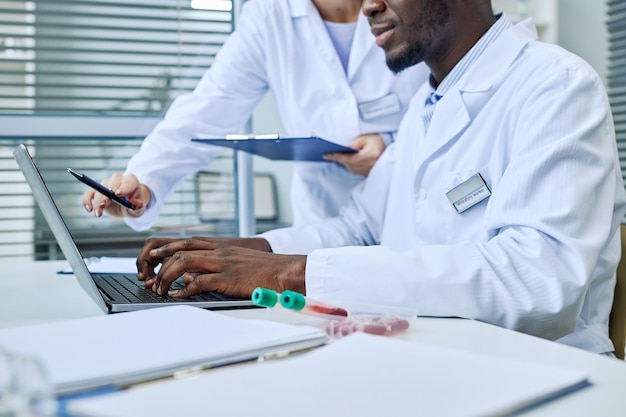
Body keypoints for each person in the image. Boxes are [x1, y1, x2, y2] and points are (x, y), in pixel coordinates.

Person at [134, 0, 626, 355]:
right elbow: (359, 228)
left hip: (545, 372)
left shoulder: (556, 87)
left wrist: (290, 273)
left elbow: (536, 283)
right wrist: (243, 253)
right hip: (432, 355)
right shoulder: (426, 106)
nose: (367, 7)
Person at [82, 0, 429, 229]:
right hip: (324, 223)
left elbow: (453, 105)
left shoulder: (406, 6)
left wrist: (393, 151)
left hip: (417, 212)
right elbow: (206, 109)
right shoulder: (269, 14)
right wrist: (143, 182)